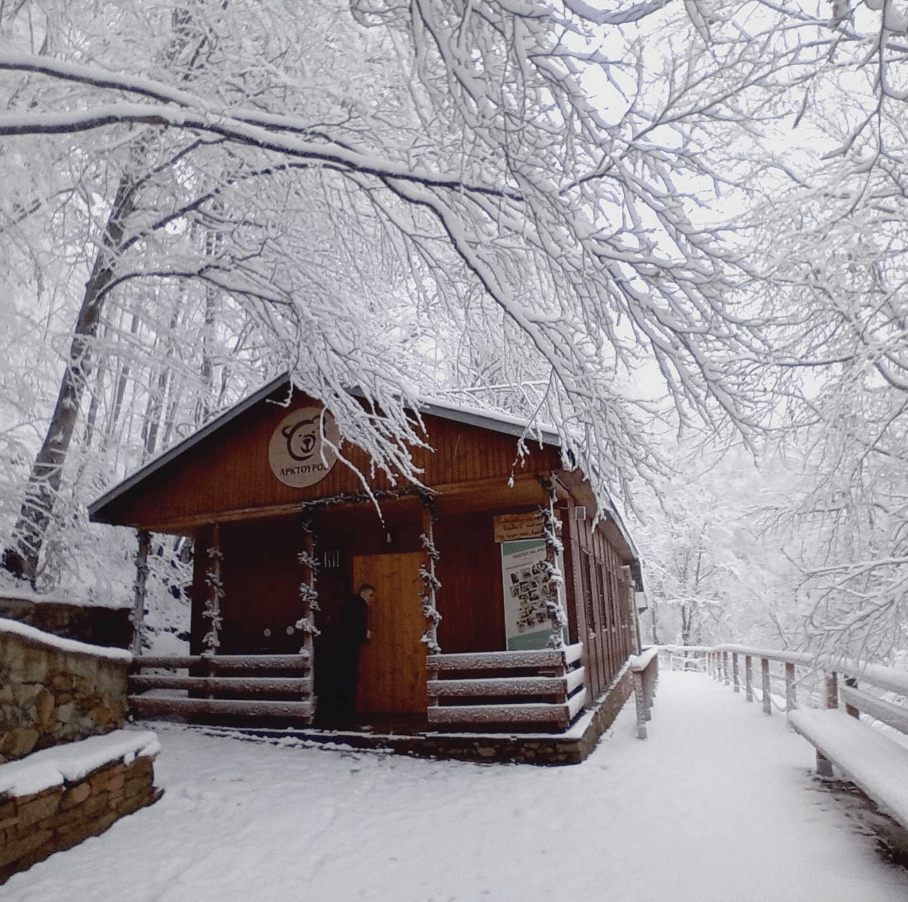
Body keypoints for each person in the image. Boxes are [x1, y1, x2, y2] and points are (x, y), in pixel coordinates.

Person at [334, 583, 375, 724]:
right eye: (370, 595)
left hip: (344, 649)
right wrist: (365, 634)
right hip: (347, 650)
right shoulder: (358, 606)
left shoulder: (351, 604)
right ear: (362, 593)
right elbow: (351, 628)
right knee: (349, 680)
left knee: (348, 680)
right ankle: (348, 716)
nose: (372, 599)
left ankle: (346, 715)